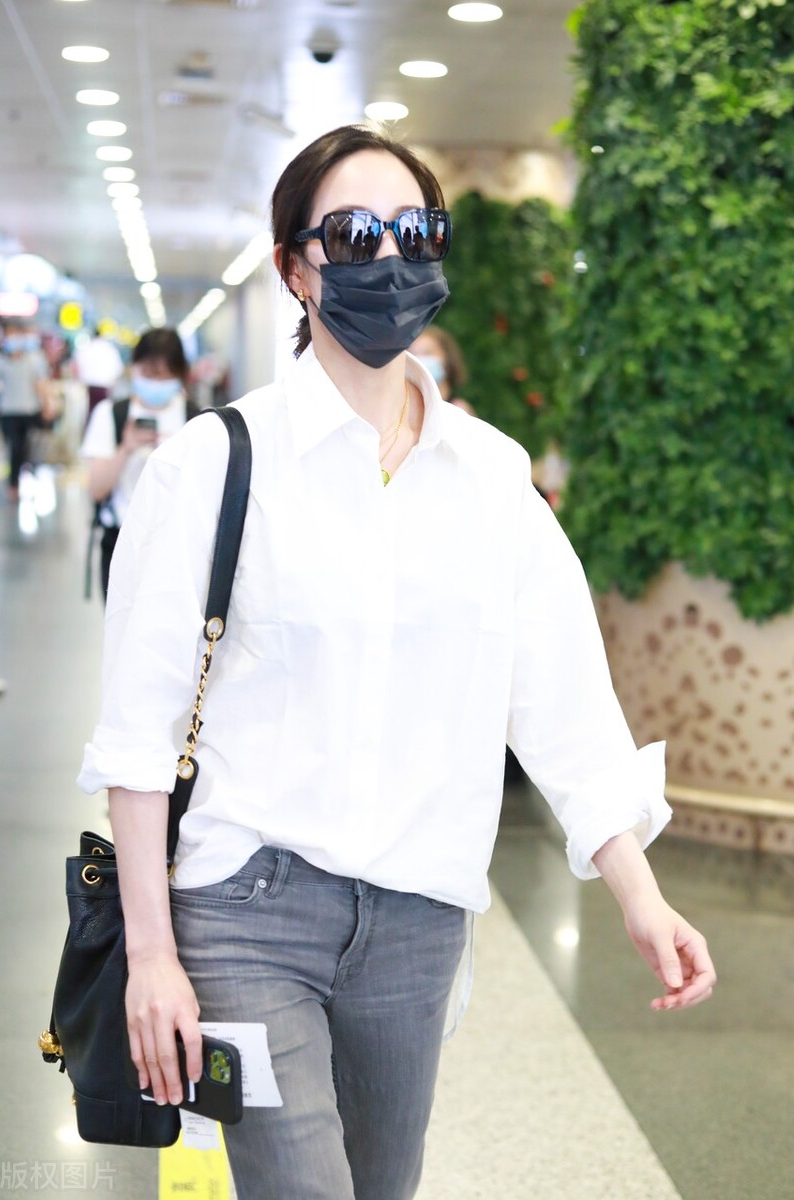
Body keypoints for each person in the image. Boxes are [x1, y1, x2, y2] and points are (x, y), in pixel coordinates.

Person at [77, 125, 715, 1200]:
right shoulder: (212, 466)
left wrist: (640, 896)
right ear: (294, 268)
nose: (388, 257)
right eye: (352, 234)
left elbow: (560, 697)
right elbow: (138, 737)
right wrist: (151, 956)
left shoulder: (490, 477)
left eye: (415, 232)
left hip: (418, 920)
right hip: (248, 907)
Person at [80, 327, 196, 599]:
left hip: (180, 547)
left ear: (180, 376)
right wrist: (126, 448)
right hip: (121, 541)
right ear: (133, 369)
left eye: (164, 376)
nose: (155, 383)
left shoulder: (196, 418)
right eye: (148, 374)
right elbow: (97, 489)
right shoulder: (111, 414)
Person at [0, 322, 52, 501]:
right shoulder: (1, 362)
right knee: (14, 447)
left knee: (25, 448)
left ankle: (22, 479)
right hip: (8, 412)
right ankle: (13, 484)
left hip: (28, 411)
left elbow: (40, 385)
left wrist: (46, 405)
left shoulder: (34, 361)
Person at [411, 325, 475, 414]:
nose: (420, 360)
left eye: (427, 353)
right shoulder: (409, 409)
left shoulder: (458, 411)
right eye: (413, 355)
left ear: (446, 356)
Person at [74, 324, 125, 419]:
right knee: (102, 415)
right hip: (103, 388)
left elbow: (76, 367)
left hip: (87, 388)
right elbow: (118, 370)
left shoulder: (85, 348)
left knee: (87, 415)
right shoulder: (111, 350)